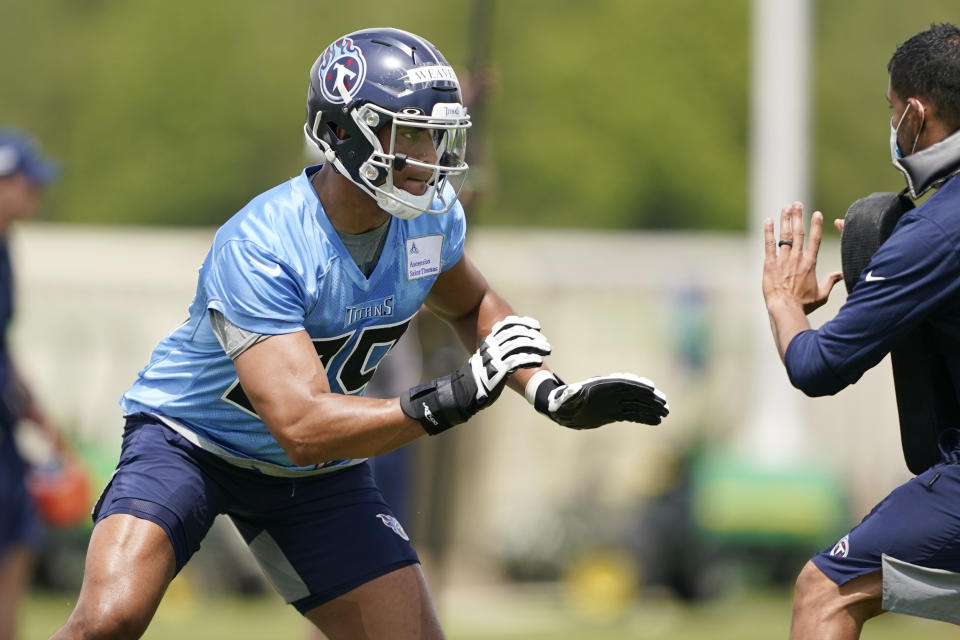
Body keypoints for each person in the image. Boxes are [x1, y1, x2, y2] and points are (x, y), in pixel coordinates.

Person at [52, 28, 669, 639]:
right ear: (342, 134)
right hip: (193, 443)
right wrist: (451, 397)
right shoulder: (262, 244)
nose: (429, 154)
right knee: (109, 620)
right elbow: (299, 427)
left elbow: (472, 303)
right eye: (410, 134)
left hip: (315, 477)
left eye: (435, 134)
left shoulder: (429, 217)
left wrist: (543, 391)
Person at [761, 23, 960, 640]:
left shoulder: (937, 230)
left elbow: (816, 367)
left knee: (825, 593)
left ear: (914, 113)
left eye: (891, 109)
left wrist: (783, 302)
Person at [0, 130, 62, 640]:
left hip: (5, 435)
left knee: (20, 537)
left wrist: (38, 415)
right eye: (27, 179)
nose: (37, 190)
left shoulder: (5, 247)